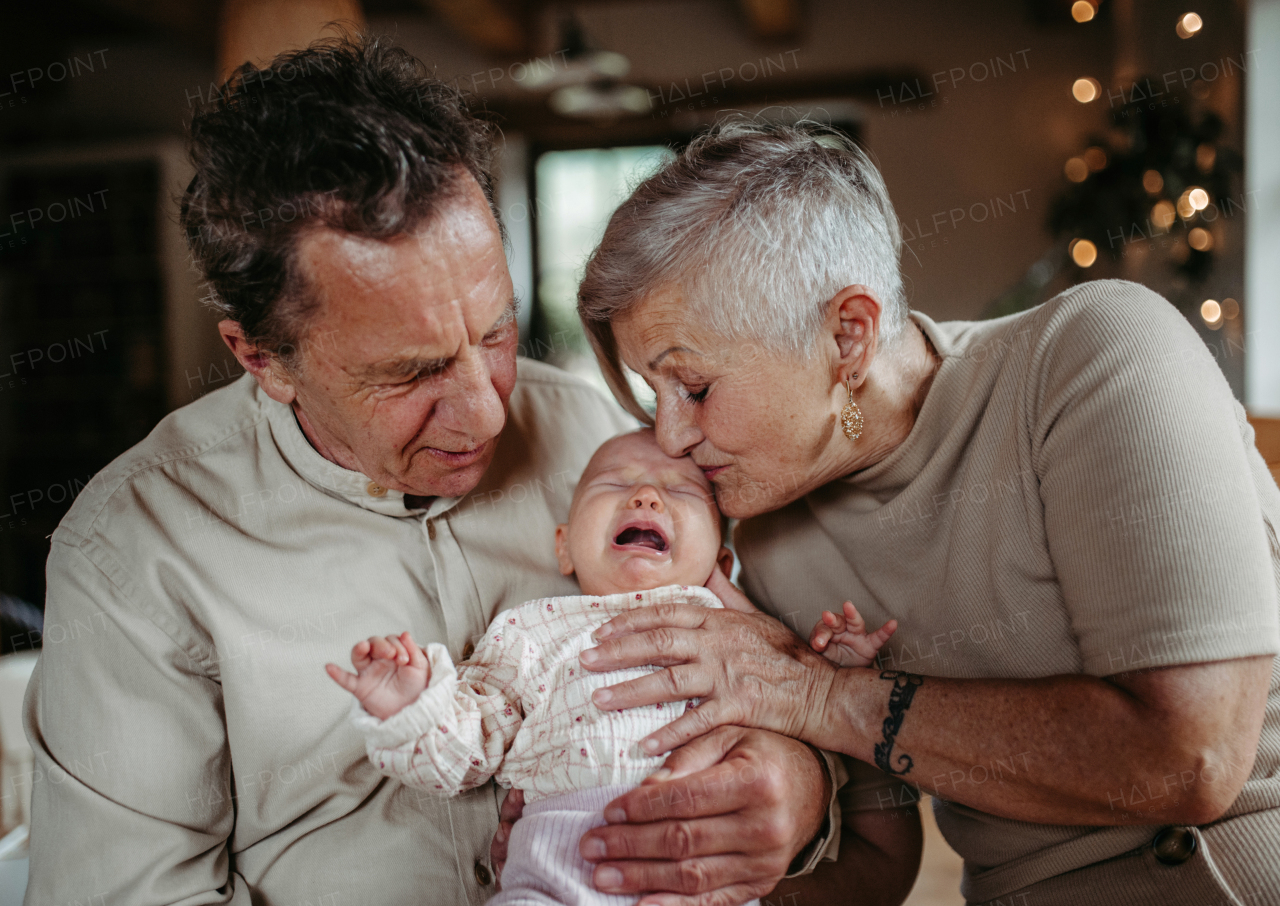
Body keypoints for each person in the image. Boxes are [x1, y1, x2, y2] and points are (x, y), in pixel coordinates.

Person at [22, 44, 906, 906]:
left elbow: (783, 674)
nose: (488, 411)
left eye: (494, 334)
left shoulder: (617, 443)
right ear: (262, 358)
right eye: (411, 373)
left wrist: (800, 788)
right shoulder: (132, 549)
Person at [573, 118, 1280, 905]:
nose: (667, 436)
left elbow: (1190, 758)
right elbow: (879, 866)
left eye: (694, 387)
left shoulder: (1095, 354)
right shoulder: (764, 536)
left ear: (847, 336)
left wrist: (822, 696)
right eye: (652, 392)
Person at [327, 429, 897, 906]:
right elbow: (471, 748)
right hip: (558, 859)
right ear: (565, 547)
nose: (647, 495)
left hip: (701, 865)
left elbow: (804, 709)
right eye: (615, 484)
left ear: (721, 561)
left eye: (682, 490)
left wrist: (835, 671)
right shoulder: (533, 631)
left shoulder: (742, 628)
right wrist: (414, 705)